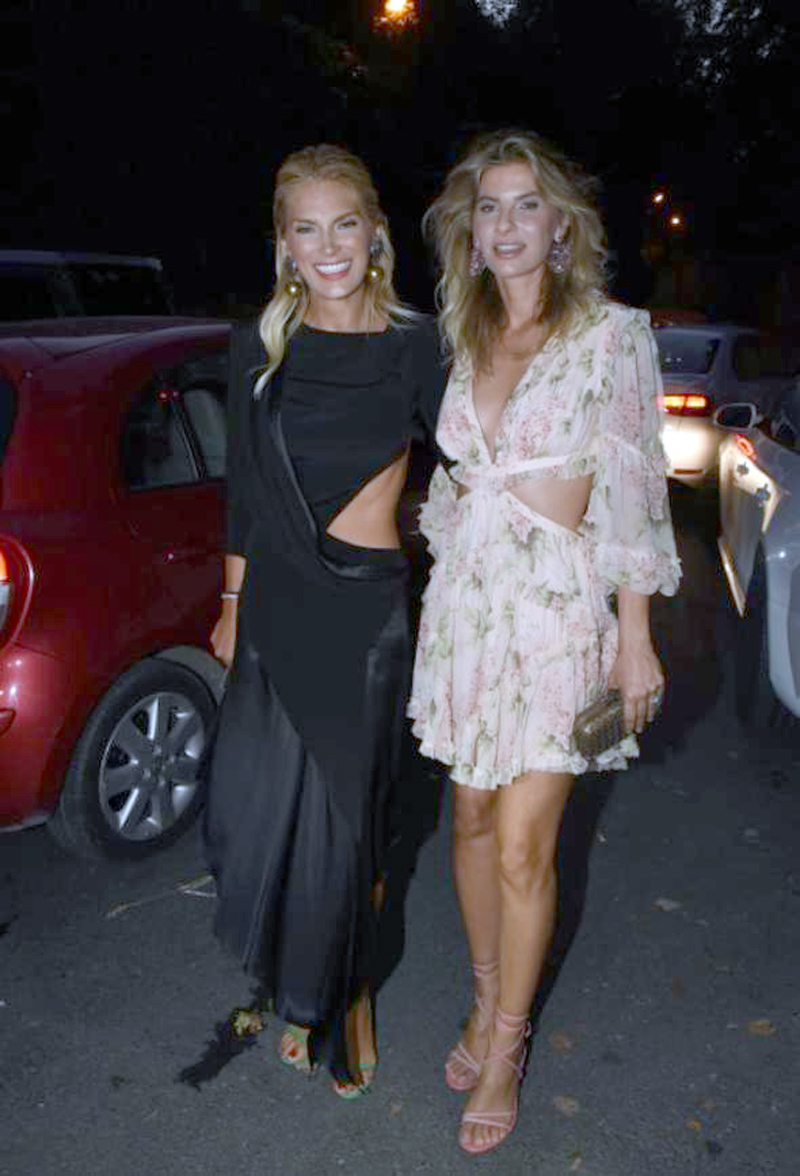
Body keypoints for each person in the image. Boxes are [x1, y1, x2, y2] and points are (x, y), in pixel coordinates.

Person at [408, 129, 681, 1155]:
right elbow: (455, 481)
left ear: (561, 225)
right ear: (470, 232)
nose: (508, 223)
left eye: (528, 204)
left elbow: (634, 486)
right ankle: (483, 1001)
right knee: (470, 819)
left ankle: (508, 1044)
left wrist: (634, 637)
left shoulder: (611, 335)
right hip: (467, 613)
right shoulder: (466, 332)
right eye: (490, 207)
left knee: (526, 843)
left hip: (559, 616)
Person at [204, 144, 443, 1097]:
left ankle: (351, 997)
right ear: (284, 246)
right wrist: (230, 604)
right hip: (277, 606)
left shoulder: (419, 344)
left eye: (345, 223)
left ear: (375, 231)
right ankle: (299, 981)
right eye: (306, 229)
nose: (329, 245)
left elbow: (479, 459)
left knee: (356, 827)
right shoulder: (259, 348)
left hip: (367, 612)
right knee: (269, 820)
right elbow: (245, 493)